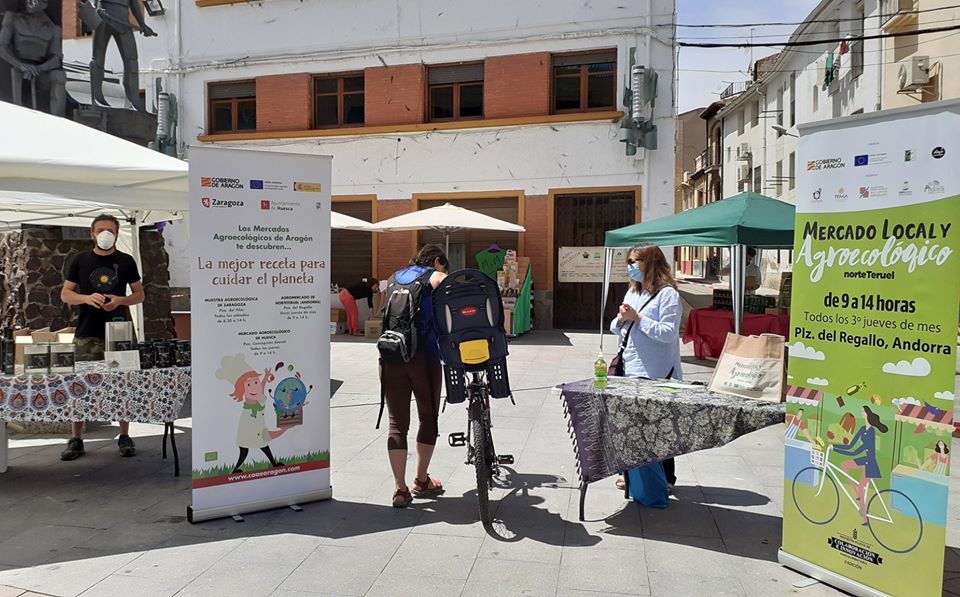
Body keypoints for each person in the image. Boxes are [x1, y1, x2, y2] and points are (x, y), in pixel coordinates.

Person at [59, 214, 145, 461]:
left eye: (110, 229)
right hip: (88, 331)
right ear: (92, 234)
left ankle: (125, 435)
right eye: (101, 229)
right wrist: (86, 298)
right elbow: (66, 293)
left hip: (120, 331)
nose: (105, 233)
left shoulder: (126, 261)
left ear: (117, 234)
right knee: (80, 384)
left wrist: (120, 300)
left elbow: (139, 295)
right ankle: (76, 438)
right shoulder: (80, 260)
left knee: (122, 382)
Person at [611, 244, 683, 492]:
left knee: (659, 427)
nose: (630, 266)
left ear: (651, 263)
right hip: (630, 367)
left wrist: (638, 319)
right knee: (631, 425)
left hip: (657, 371)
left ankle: (666, 478)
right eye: (629, 261)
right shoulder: (633, 292)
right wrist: (622, 318)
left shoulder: (668, 295)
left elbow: (668, 333)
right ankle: (632, 476)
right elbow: (616, 327)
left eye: (635, 261)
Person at [382, 245, 448, 507]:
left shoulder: (393, 277)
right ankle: (421, 480)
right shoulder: (434, 276)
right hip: (424, 356)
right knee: (428, 417)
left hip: (391, 354)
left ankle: (400, 489)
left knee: (397, 422)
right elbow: (459, 289)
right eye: (444, 265)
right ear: (437, 261)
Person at [835, 405, 888, 525]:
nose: (861, 412)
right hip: (864, 460)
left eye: (863, 411)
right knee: (844, 465)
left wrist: (836, 449)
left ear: (867, 414)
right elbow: (850, 446)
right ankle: (857, 493)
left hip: (870, 463)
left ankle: (865, 519)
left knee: (862, 489)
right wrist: (835, 446)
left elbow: (855, 451)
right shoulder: (862, 429)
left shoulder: (871, 432)